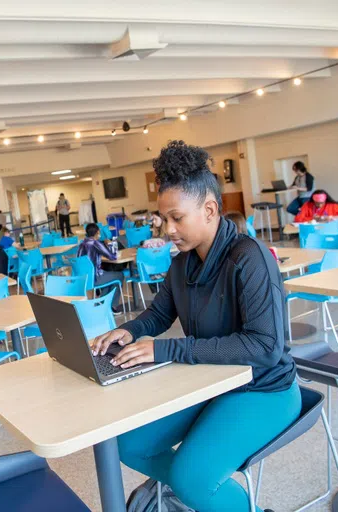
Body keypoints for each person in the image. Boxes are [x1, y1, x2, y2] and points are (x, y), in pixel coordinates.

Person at [92, 141, 299, 512]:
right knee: (126, 444)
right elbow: (159, 315)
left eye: (176, 218)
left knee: (192, 478)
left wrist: (167, 349)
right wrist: (131, 330)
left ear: (209, 210)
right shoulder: (183, 263)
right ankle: (200, 492)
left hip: (266, 390)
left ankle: (201, 489)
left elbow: (266, 348)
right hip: (212, 381)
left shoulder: (249, 259)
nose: (167, 229)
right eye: (162, 218)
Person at [76, 223, 125, 314]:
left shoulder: (82, 244)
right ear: (97, 232)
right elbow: (112, 256)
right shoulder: (95, 243)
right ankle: (112, 306)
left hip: (84, 278)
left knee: (109, 278)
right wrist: (110, 244)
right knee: (119, 275)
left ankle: (102, 304)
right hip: (95, 277)